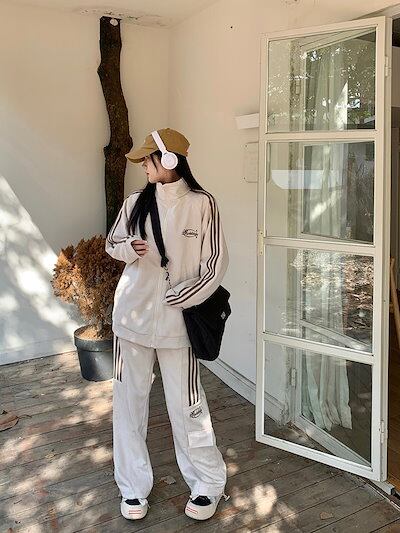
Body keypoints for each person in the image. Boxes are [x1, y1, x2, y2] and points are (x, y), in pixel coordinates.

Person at [105, 128, 230, 522]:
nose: (144, 165)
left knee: (188, 405)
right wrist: (129, 248)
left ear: (170, 159)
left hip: (179, 325)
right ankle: (132, 487)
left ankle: (207, 482)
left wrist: (186, 295)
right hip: (131, 320)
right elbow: (112, 243)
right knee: (128, 405)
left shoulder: (202, 204)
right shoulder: (134, 203)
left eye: (148, 158)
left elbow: (216, 263)